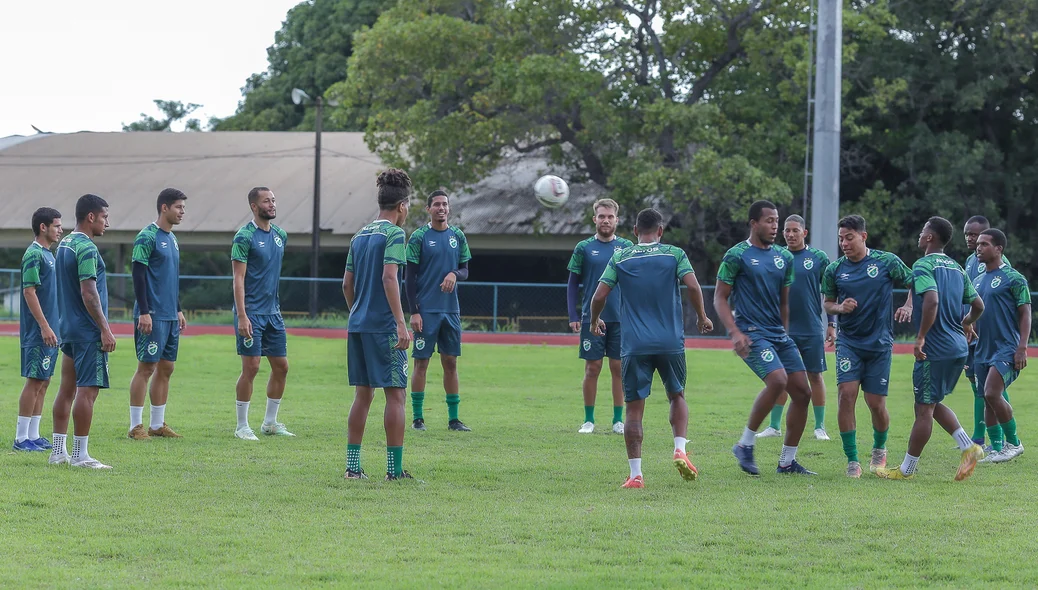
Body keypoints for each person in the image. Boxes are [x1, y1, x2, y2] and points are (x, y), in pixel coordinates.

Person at [590, 208, 712, 488]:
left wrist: (595, 321)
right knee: (677, 395)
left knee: (633, 409)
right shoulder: (674, 254)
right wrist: (701, 317)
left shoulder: (620, 255)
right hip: (670, 342)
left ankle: (636, 475)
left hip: (634, 344)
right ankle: (679, 447)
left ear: (634, 231)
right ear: (660, 231)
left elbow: (599, 295)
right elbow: (693, 287)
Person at [876, 217, 985, 480]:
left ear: (929, 238)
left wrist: (921, 337)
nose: (920, 233)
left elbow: (932, 301)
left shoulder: (923, 264)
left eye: (923, 230)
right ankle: (968, 447)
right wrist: (967, 323)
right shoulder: (957, 268)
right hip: (958, 346)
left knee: (923, 410)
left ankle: (906, 470)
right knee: (931, 404)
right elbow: (978, 305)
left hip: (935, 348)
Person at [716, 200, 816, 476]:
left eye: (777, 221)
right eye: (770, 221)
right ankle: (745, 445)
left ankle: (787, 462)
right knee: (778, 381)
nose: (775, 227)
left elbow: (784, 303)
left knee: (803, 392)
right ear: (754, 224)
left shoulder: (783, 258)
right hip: (751, 332)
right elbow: (720, 297)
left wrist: (784, 333)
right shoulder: (737, 255)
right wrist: (735, 332)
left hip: (777, 335)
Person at [820, 215, 914, 478]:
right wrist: (840, 308)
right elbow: (827, 302)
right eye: (840, 238)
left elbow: (916, 281)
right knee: (846, 394)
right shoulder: (834, 270)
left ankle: (879, 448)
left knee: (875, 403)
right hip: (849, 342)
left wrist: (908, 304)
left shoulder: (886, 261)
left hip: (879, 343)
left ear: (863, 236)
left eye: (849, 237)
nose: (844, 243)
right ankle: (852, 461)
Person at [343, 169, 415, 480]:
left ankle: (353, 468)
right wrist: (400, 322)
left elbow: (347, 285)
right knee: (396, 395)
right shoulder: (395, 235)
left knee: (363, 395)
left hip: (357, 324)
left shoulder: (359, 235)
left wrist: (359, 312)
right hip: (384, 327)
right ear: (402, 205)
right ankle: (394, 471)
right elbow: (389, 278)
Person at [49, 194, 116, 469]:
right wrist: (105, 329)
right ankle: (80, 455)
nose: (107, 223)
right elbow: (89, 293)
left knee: (66, 389)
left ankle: (57, 452)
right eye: (105, 217)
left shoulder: (64, 244)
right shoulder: (86, 248)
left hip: (68, 328)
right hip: (88, 332)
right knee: (87, 392)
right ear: (91, 217)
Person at [757, 215, 835, 441]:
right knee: (779, 376)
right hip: (781, 329)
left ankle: (820, 426)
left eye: (794, 231)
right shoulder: (776, 256)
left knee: (815, 376)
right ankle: (774, 426)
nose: (790, 235)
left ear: (804, 233)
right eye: (786, 231)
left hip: (811, 327)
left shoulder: (818, 258)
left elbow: (830, 292)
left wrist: (831, 324)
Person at [405, 190, 473, 432]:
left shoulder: (458, 236)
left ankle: (454, 419)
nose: (441, 208)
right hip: (426, 311)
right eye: (436, 204)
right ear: (428, 209)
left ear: (449, 208)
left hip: (450, 311)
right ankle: (417, 418)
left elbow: (465, 269)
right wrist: (414, 311)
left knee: (450, 362)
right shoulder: (419, 237)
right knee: (421, 363)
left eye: (445, 204)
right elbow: (409, 278)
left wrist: (455, 273)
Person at [567, 199, 634, 434]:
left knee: (618, 367)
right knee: (592, 368)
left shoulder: (627, 246)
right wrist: (573, 313)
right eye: (602, 216)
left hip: (620, 317)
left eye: (610, 217)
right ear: (594, 219)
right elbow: (573, 283)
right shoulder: (583, 247)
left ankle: (618, 421)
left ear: (617, 220)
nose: (606, 220)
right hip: (591, 317)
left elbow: (635, 282)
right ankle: (588, 420)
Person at [231, 187, 293, 440]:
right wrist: (242, 316)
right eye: (267, 201)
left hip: (273, 313)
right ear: (254, 207)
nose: (272, 204)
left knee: (282, 366)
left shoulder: (280, 235)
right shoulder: (243, 237)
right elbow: (238, 278)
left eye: (274, 200)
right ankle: (242, 426)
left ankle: (270, 423)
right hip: (251, 313)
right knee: (252, 366)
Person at [128, 188, 188, 440]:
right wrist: (144, 311)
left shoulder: (172, 239)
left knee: (167, 368)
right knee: (146, 367)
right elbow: (138, 275)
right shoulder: (147, 236)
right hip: (151, 313)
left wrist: (178, 308)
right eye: (178, 207)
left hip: (169, 315)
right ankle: (135, 427)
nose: (182, 212)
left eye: (184, 207)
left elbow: (169, 278)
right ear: (164, 207)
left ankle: (156, 425)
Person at [973, 228, 1027, 463]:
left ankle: (1014, 443)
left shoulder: (1014, 278)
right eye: (978, 244)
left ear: (998, 249)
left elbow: (1025, 314)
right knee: (986, 398)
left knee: (992, 393)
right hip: (981, 349)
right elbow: (973, 313)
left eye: (984, 244)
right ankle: (996, 448)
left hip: (1006, 347)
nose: (978, 247)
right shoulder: (975, 280)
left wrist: (1022, 347)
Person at [14, 207, 63, 452]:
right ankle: (21, 438)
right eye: (56, 225)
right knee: (34, 381)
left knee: (44, 381)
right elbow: (29, 291)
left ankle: (33, 434)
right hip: (38, 331)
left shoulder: (49, 255)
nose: (60, 230)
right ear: (43, 227)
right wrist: (44, 326)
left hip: (51, 330)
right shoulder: (34, 255)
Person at [961, 215, 1011, 448]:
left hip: (990, 337)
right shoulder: (972, 260)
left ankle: (1000, 440)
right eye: (968, 235)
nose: (971, 239)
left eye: (976, 235)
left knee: (993, 388)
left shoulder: (1002, 266)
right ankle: (979, 437)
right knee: (978, 385)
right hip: (972, 332)